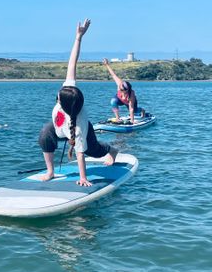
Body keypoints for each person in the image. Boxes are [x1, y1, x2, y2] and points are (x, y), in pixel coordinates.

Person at [38, 19, 118, 187]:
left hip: (79, 131)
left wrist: (83, 177)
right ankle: (50, 171)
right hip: (60, 128)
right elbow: (72, 63)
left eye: (59, 96)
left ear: (64, 102)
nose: (57, 95)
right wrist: (79, 37)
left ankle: (111, 150)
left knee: (93, 150)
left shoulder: (80, 123)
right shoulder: (70, 92)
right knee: (46, 132)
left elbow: (80, 153)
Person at [103, 58, 145, 123]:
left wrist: (132, 121)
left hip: (128, 102)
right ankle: (118, 118)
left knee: (135, 111)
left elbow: (131, 109)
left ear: (127, 90)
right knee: (113, 101)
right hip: (120, 100)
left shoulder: (131, 95)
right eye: (120, 89)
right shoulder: (119, 83)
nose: (121, 90)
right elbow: (113, 74)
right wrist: (107, 65)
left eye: (122, 90)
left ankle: (142, 110)